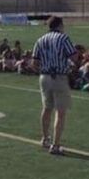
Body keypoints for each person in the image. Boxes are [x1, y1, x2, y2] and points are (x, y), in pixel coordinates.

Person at [32, 16, 78, 155]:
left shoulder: (40, 40)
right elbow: (74, 57)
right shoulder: (63, 38)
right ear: (60, 25)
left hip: (44, 76)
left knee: (47, 108)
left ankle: (45, 138)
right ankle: (56, 145)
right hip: (59, 76)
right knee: (60, 112)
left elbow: (34, 62)